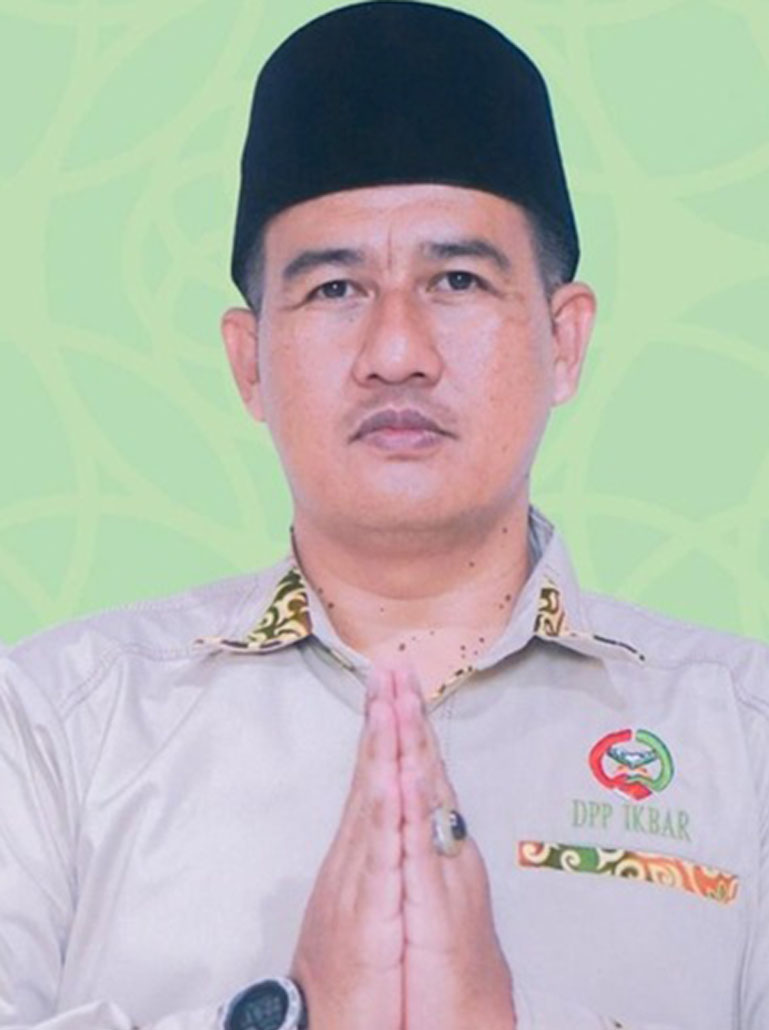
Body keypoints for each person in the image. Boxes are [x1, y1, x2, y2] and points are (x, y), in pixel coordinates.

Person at [1, 3, 766, 1029]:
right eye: (333, 289)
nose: (396, 350)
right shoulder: (51, 726)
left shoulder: (744, 737)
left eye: (456, 280)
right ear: (248, 361)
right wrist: (299, 1017)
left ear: (564, 339)